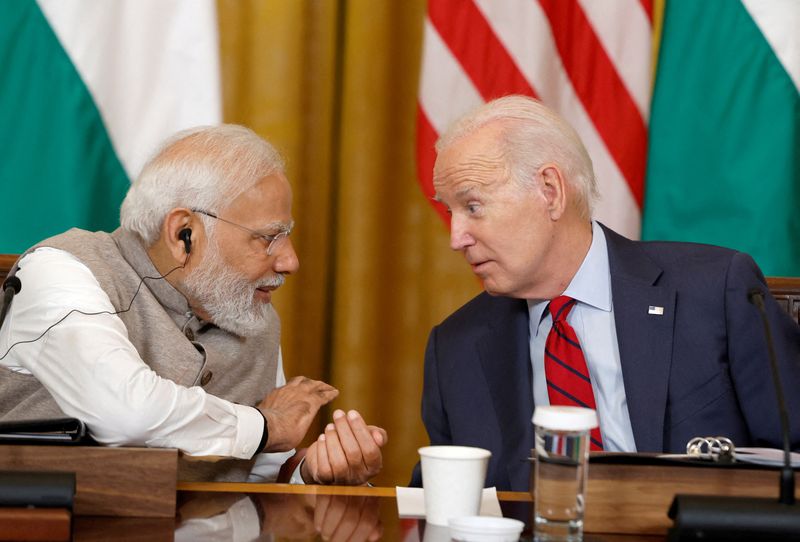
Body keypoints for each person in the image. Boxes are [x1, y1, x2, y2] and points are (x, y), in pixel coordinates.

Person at [410, 95, 800, 491]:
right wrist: (356, 481)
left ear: (550, 190)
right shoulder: (456, 348)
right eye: (450, 212)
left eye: (473, 207)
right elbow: (445, 499)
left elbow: (794, 454)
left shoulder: (716, 292)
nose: (456, 238)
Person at [0, 125, 385, 484]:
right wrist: (266, 425)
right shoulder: (60, 271)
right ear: (183, 233)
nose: (290, 261)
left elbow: (263, 468)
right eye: (269, 238)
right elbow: (128, 413)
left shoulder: (248, 309)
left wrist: (312, 471)